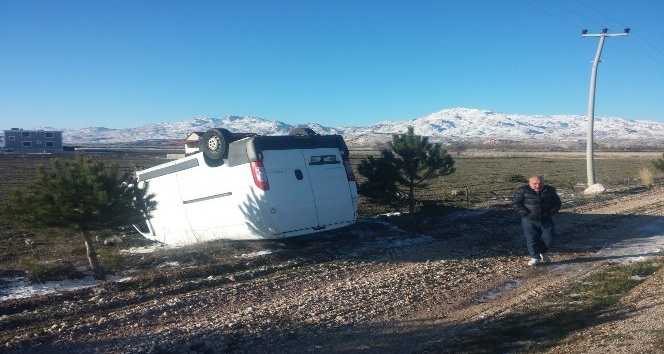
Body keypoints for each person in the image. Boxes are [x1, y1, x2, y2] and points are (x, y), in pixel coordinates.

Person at [512, 175, 562, 266]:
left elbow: (557, 203)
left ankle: (543, 252)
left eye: (540, 183)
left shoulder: (550, 190)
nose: (538, 186)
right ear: (529, 183)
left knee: (549, 237)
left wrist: (552, 212)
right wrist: (525, 213)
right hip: (529, 220)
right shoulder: (522, 190)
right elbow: (516, 203)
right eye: (535, 184)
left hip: (546, 219)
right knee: (532, 238)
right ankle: (535, 257)